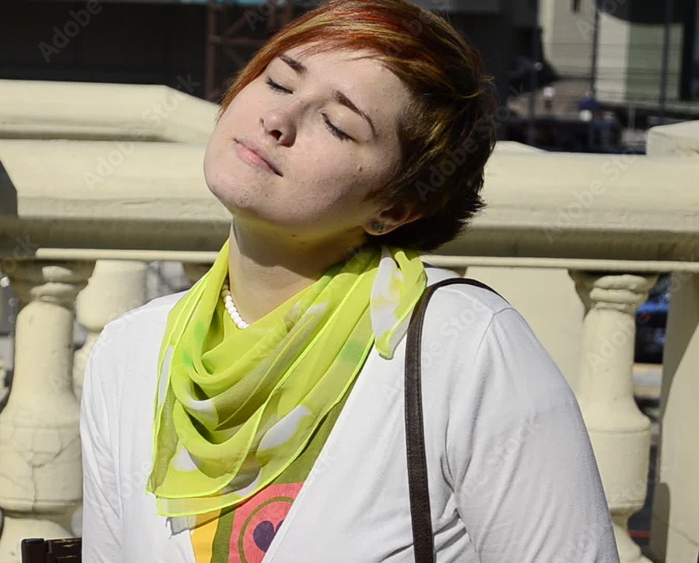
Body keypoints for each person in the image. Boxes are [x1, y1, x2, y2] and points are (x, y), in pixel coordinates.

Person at [80, 1, 619, 561]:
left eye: (338, 124)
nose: (278, 120)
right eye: (279, 82)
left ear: (395, 208)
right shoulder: (130, 353)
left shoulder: (465, 349)